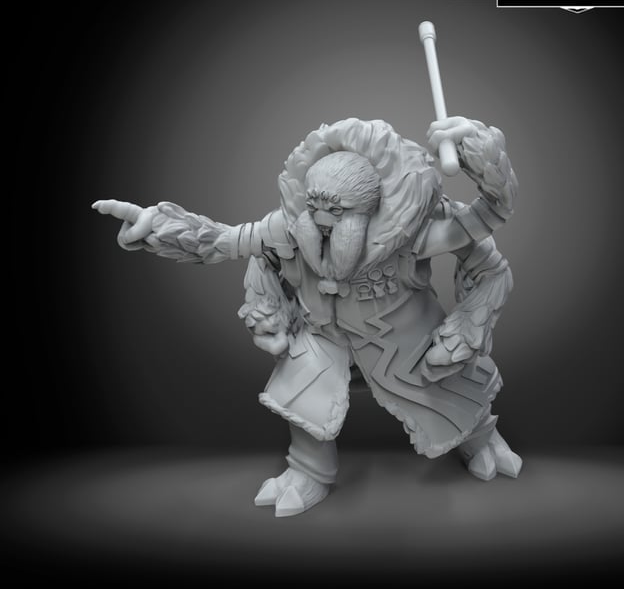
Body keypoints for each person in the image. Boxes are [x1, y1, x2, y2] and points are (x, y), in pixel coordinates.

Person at [93, 115, 522, 517]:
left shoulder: (412, 232)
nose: (321, 219)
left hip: (405, 336)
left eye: (337, 211)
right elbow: (222, 241)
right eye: (315, 204)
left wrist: (476, 148)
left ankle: (481, 439)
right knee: (304, 389)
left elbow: (490, 213)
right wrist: (156, 226)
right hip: (323, 333)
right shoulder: (289, 227)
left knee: (450, 385)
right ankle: (308, 471)